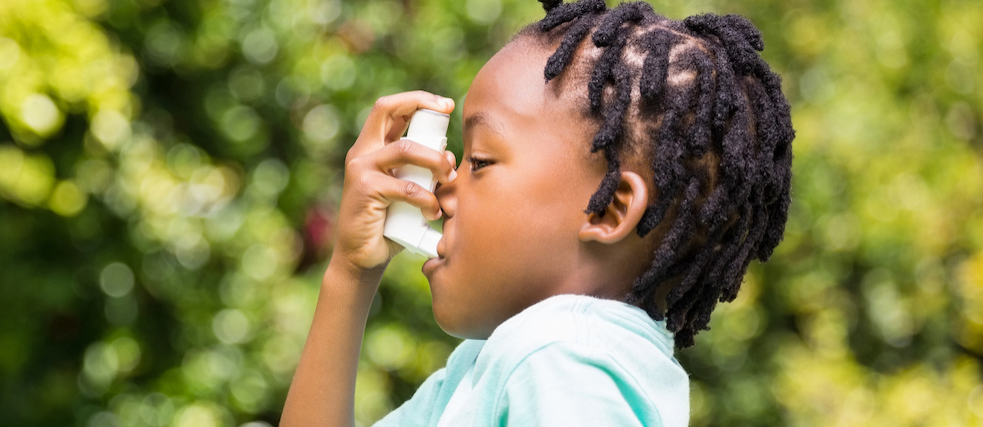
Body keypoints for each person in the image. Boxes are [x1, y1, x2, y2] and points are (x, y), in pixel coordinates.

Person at [281, 0, 795, 425]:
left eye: (479, 161)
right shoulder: (494, 365)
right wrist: (350, 272)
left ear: (611, 209)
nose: (443, 189)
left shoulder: (560, 358)